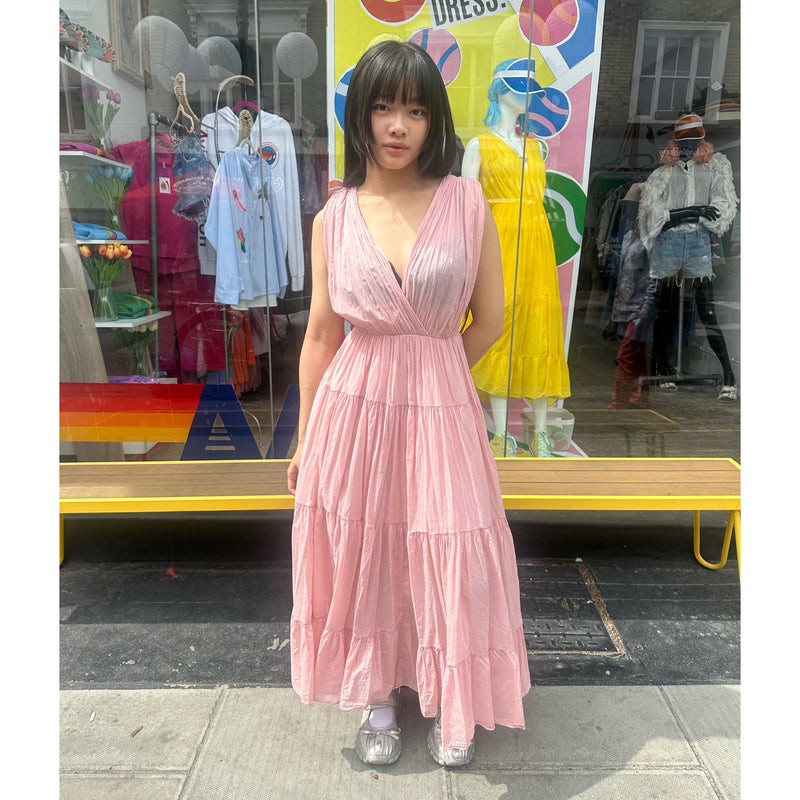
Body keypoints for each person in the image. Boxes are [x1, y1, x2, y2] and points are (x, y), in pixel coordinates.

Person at [286, 40, 531, 769]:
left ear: (435, 122)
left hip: (441, 408)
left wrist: (438, 374)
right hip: (353, 411)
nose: (399, 125)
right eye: (385, 106)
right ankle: (379, 694)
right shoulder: (334, 217)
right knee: (370, 550)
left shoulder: (465, 202)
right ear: (361, 115)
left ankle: (454, 697)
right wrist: (304, 438)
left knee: (453, 543)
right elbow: (321, 335)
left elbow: (491, 317)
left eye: (417, 110)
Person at [461, 59, 571, 457]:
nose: (527, 97)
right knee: (500, 326)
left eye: (529, 90)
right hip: (498, 242)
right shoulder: (479, 145)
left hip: (537, 245)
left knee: (539, 329)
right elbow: (467, 209)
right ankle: (501, 433)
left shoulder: (538, 146)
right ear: (499, 91)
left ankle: (539, 432)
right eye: (519, 88)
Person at [638, 113, 739, 401]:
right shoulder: (663, 174)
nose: (689, 147)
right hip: (668, 243)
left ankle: (729, 376)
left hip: (698, 241)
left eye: (695, 141)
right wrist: (693, 211)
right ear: (675, 141)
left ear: (702, 139)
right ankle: (663, 368)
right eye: (684, 141)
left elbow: (722, 208)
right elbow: (650, 216)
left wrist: (678, 216)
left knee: (707, 311)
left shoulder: (716, 166)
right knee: (665, 311)